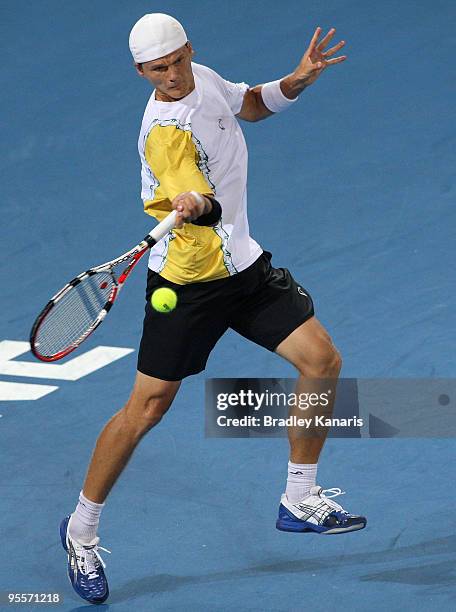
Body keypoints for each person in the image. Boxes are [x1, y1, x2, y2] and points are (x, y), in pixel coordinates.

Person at [59, 13, 366, 605]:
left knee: (321, 360)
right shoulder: (164, 130)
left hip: (244, 269)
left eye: (177, 61)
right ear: (139, 72)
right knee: (145, 410)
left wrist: (296, 80)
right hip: (189, 286)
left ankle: (299, 498)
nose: (172, 75)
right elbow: (202, 200)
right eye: (158, 69)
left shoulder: (199, 75)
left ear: (189, 51)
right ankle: (81, 531)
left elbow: (247, 105)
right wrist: (195, 200)